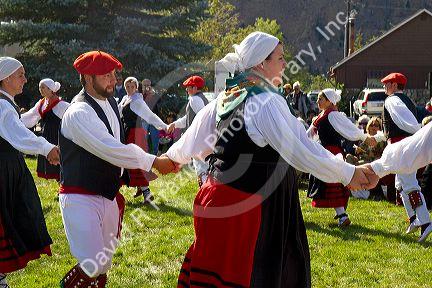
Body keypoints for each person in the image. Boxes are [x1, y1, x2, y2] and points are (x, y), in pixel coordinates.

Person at [162, 32, 373, 288]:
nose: (285, 64)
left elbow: (192, 139)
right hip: (257, 206)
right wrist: (347, 173)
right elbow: (302, 150)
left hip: (221, 199)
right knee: (261, 271)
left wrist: (170, 158)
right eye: (280, 58)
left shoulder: (226, 98)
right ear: (262, 63)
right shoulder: (266, 101)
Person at [58, 51, 175, 287]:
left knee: (103, 264)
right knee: (91, 263)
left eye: (114, 74)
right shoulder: (78, 112)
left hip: (109, 193)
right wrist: (153, 161)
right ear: (88, 78)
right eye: (106, 75)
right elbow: (112, 148)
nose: (113, 80)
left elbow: (120, 142)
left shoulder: (111, 101)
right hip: (81, 194)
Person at [0, 57, 60, 287]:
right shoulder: (2, 105)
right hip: (3, 169)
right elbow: (17, 134)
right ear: (6, 78)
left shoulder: (6, 103)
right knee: (9, 217)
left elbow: (19, 124)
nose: (25, 79)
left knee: (12, 216)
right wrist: (46, 148)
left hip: (7, 167)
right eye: (20, 75)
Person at [364, 72, 431, 242]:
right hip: (401, 147)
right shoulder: (406, 100)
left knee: (409, 184)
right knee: (400, 184)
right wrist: (377, 137)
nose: (384, 87)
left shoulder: (392, 100)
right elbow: (393, 129)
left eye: (387, 84)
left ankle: (424, 221)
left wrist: (419, 132)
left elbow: (405, 123)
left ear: (394, 85)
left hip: (401, 149)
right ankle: (414, 218)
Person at [306, 88, 378, 227]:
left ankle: (342, 216)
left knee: (334, 182)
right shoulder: (322, 116)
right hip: (326, 152)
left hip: (332, 153)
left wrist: (364, 137)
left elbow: (349, 129)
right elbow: (309, 135)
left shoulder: (333, 115)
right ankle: (341, 214)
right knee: (332, 181)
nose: (317, 101)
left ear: (329, 101)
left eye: (321, 99)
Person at [118, 76, 168, 204]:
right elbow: (117, 114)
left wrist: (164, 126)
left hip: (136, 134)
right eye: (127, 87)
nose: (129, 89)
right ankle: (141, 189)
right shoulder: (125, 99)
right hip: (127, 133)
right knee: (127, 162)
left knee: (137, 161)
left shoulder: (137, 101)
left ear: (136, 87)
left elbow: (150, 116)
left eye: (132, 87)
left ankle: (147, 193)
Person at [21, 78, 69, 181]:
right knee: (51, 165)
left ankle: (62, 186)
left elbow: (70, 119)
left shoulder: (61, 105)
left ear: (51, 89)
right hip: (47, 135)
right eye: (40, 87)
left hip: (57, 136)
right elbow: (31, 115)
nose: (40, 89)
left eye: (43, 87)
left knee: (60, 162)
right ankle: (59, 187)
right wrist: (17, 120)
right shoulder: (41, 103)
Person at [167, 75, 210, 187]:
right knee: (202, 164)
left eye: (188, 87)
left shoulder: (194, 99)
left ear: (195, 88)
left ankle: (205, 191)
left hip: (199, 137)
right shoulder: (202, 98)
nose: (186, 90)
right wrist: (175, 124)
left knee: (200, 166)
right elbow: (188, 118)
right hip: (205, 137)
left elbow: (202, 117)